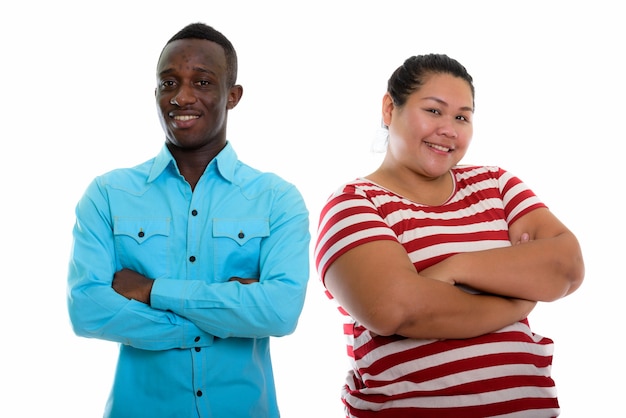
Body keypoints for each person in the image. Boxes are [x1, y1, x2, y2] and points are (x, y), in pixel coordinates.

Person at [314, 54, 584, 417]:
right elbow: (397, 310)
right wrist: (516, 300)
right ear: (390, 109)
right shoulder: (353, 204)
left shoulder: (496, 184)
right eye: (434, 111)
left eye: (462, 117)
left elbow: (566, 268)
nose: (449, 129)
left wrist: (457, 268)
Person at [67, 22, 310, 417]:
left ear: (232, 96)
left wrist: (151, 290)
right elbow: (88, 311)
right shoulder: (108, 195)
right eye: (168, 83)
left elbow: (280, 312)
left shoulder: (276, 199)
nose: (182, 97)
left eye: (202, 82)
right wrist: (225, 316)